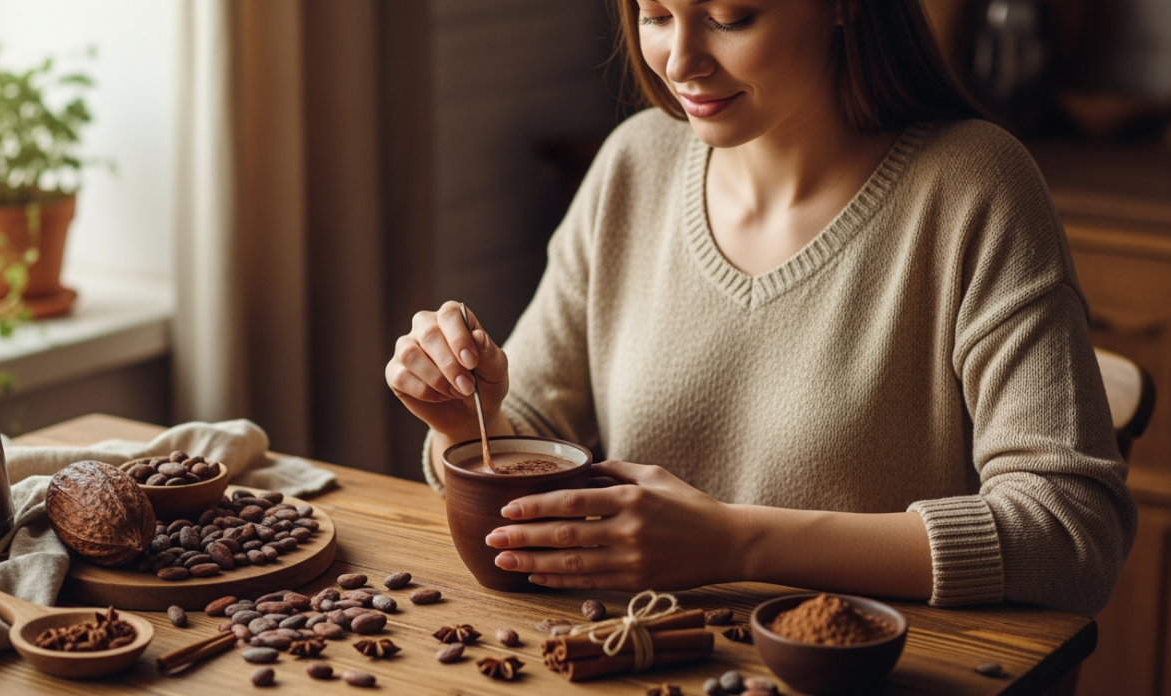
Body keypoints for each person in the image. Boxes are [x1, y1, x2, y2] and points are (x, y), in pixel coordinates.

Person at [384, 0, 1136, 616]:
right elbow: (536, 455)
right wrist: (467, 422)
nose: (680, 61)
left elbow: (1070, 534)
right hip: (645, 662)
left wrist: (737, 543)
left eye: (730, 17)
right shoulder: (634, 164)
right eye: (654, 14)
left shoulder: (976, 187)